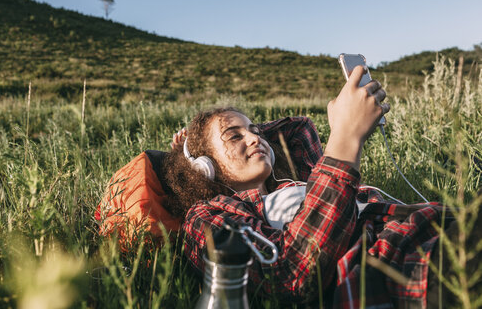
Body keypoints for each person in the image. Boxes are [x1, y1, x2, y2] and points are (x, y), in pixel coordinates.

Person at [162, 66, 478, 308]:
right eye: (234, 136)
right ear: (204, 166)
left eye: (256, 131)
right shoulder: (207, 214)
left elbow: (299, 130)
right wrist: (347, 138)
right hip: (413, 268)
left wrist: (239, 133)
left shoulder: (301, 180)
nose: (255, 138)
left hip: (440, 228)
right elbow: (288, 276)